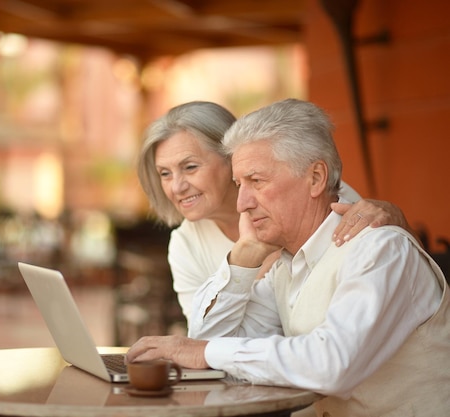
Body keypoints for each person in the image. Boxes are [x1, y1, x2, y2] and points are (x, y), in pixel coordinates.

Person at [127, 99, 449, 416]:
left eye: (256, 181)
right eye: (240, 184)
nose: (242, 203)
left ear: (315, 178)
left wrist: (204, 352)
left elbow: (331, 363)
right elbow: (215, 348)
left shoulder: (377, 250)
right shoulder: (286, 264)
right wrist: (244, 256)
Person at [137, 101, 413, 323]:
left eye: (190, 167)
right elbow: (209, 337)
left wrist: (396, 219)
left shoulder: (317, 197)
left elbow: (387, 265)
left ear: (231, 157)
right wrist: (249, 263)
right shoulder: (186, 244)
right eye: (164, 173)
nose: (177, 186)